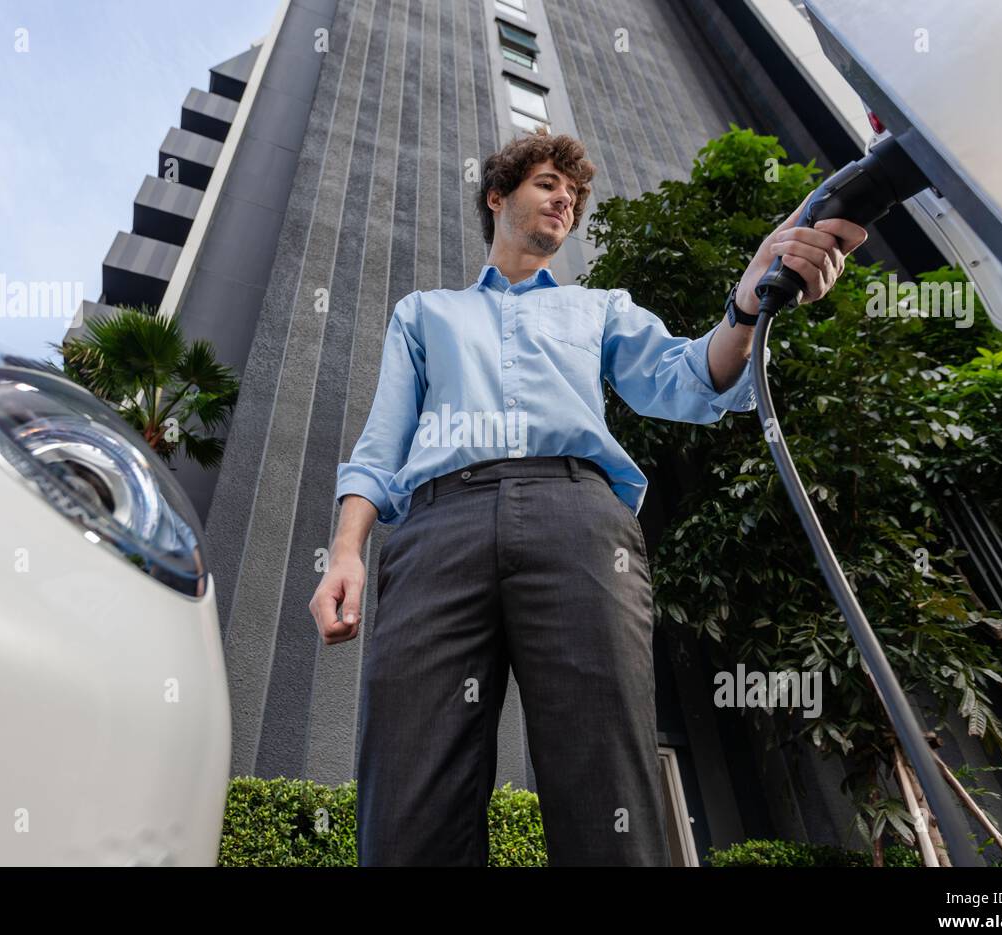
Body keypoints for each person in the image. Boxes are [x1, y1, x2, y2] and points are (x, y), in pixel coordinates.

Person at [308, 126, 867, 866]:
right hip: (439, 528)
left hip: (576, 522)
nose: (564, 199)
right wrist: (345, 551)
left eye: (572, 194)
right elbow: (381, 446)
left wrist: (746, 301)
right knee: (409, 785)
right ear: (497, 197)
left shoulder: (600, 309)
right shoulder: (424, 314)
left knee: (606, 776)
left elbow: (691, 376)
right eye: (546, 184)